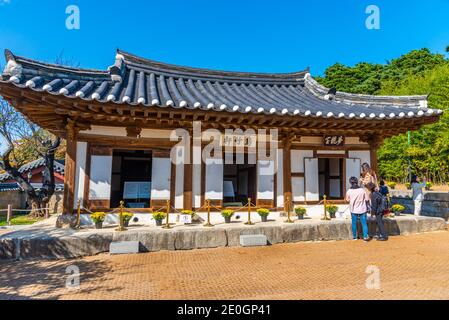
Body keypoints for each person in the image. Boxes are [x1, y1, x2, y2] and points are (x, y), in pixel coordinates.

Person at [345, 176, 370, 242]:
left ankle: (355, 237)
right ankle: (365, 237)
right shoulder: (362, 190)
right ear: (357, 182)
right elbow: (367, 199)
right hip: (362, 209)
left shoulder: (349, 191)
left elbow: (347, 200)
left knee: (354, 223)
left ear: (350, 182)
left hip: (353, 210)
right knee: (364, 223)